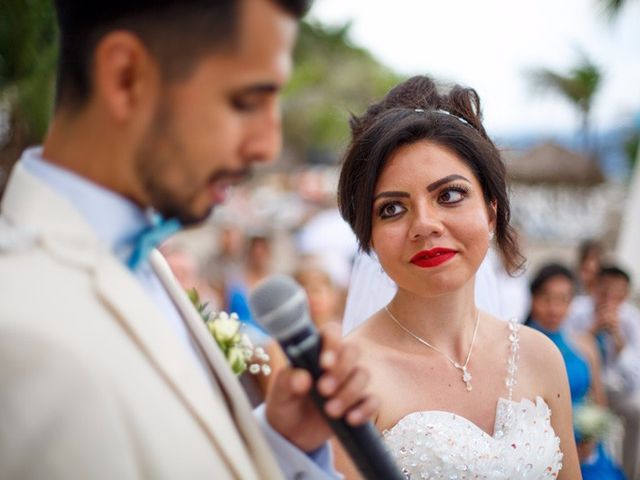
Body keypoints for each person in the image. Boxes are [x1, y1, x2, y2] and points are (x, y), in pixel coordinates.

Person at [0, 1, 378, 478]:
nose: (267, 145)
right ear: (125, 76)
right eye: (245, 101)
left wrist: (280, 444)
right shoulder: (16, 326)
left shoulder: (141, 257)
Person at [334, 75, 581, 478]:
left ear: (491, 210)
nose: (425, 225)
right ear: (369, 237)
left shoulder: (541, 357)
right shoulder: (352, 377)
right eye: (392, 209)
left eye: (448, 195)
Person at [526, 263, 625, 479]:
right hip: (540, 452)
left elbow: (600, 400)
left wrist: (592, 435)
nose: (554, 308)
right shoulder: (519, 346)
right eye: (546, 298)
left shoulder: (585, 344)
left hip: (588, 449)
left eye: (563, 300)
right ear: (533, 298)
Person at [566, 265, 640, 480]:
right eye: (604, 291)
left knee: (637, 411)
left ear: (625, 295)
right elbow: (568, 352)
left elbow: (634, 380)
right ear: (594, 288)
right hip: (582, 385)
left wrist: (618, 340)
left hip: (613, 387)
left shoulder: (631, 319)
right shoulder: (577, 310)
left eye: (617, 294)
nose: (609, 299)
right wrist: (592, 331)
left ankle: (629, 472)